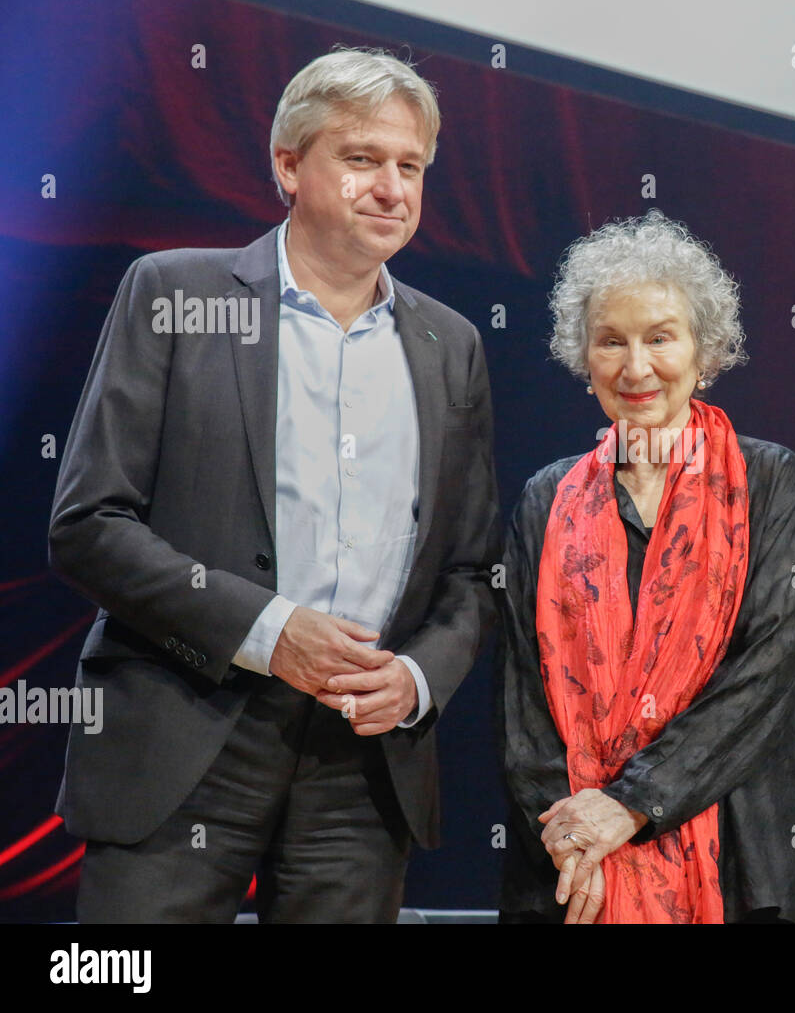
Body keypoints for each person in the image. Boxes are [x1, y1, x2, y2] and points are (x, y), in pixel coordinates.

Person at [48, 48, 499, 922]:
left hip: (361, 767)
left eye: (410, 167)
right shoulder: (174, 291)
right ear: (288, 166)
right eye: (363, 159)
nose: (391, 188)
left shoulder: (453, 347)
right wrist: (267, 629)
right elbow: (90, 523)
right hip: (187, 730)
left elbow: (473, 575)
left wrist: (413, 678)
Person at [498, 211, 795, 923]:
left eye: (660, 339)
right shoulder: (545, 499)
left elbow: (764, 675)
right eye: (610, 341)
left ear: (703, 352)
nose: (635, 367)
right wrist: (576, 840)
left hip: (737, 859)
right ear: (584, 359)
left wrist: (632, 804)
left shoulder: (770, 481)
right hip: (574, 876)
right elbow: (524, 705)